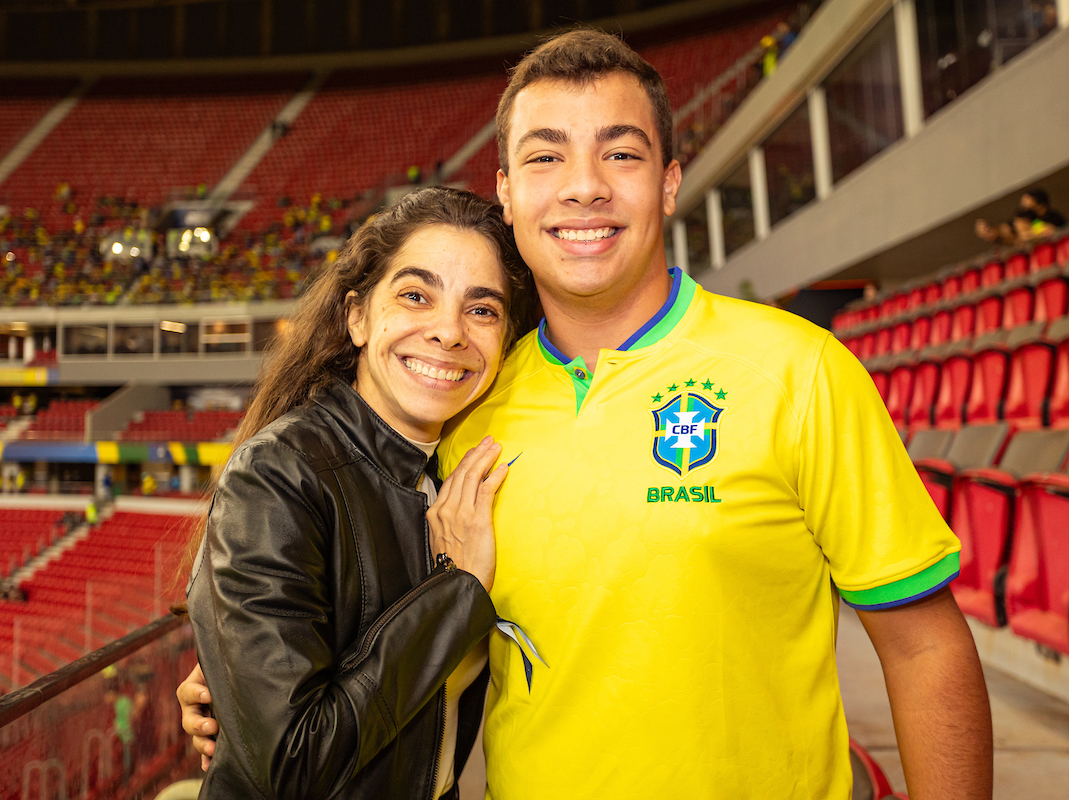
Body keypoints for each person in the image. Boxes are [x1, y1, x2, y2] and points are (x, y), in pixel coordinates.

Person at [182, 29, 992, 799]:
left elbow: (925, 647)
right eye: (545, 156)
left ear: (670, 179)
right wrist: (237, 674)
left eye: (621, 153)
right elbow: (377, 603)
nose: (584, 185)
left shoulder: (800, 373)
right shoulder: (464, 408)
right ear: (506, 192)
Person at [182, 187, 537, 799]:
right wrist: (457, 595)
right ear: (357, 318)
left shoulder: (459, 470)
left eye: (482, 310)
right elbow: (296, 764)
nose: (449, 332)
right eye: (415, 296)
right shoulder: (277, 475)